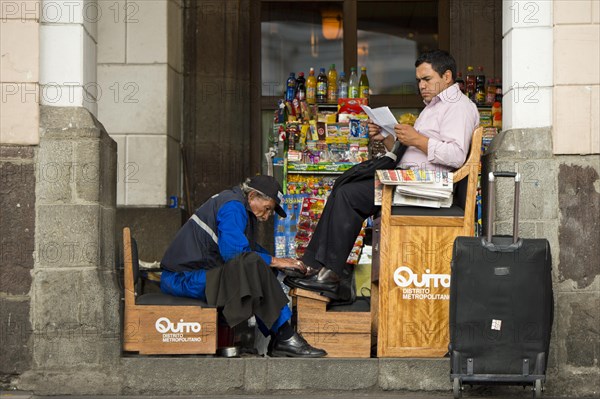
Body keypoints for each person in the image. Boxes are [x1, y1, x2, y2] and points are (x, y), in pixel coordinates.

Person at [285, 49, 479, 302]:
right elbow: (412, 152)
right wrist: (388, 138)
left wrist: (417, 139)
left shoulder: (458, 107)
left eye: (427, 79)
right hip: (410, 176)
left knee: (349, 194)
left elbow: (455, 156)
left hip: (428, 185)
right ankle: (321, 268)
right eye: (419, 80)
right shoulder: (434, 107)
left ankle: (332, 274)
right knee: (345, 183)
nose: (422, 86)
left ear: (447, 76)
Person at [159, 175, 326, 358]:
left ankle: (281, 336)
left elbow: (249, 249)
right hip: (182, 279)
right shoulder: (233, 207)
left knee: (256, 264)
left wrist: (283, 262)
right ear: (253, 195)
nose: (266, 216)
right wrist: (275, 261)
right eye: (267, 209)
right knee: (252, 266)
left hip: (197, 275)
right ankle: (285, 337)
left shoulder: (239, 205)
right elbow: (235, 254)